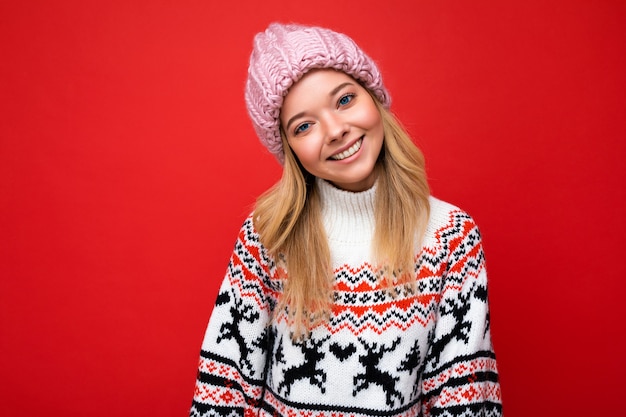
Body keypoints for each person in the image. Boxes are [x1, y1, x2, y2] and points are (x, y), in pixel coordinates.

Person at [190, 23, 502, 417]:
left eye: (344, 100)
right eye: (304, 126)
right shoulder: (269, 235)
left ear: (373, 98)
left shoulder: (451, 238)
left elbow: (464, 398)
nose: (336, 130)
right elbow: (224, 387)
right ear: (290, 150)